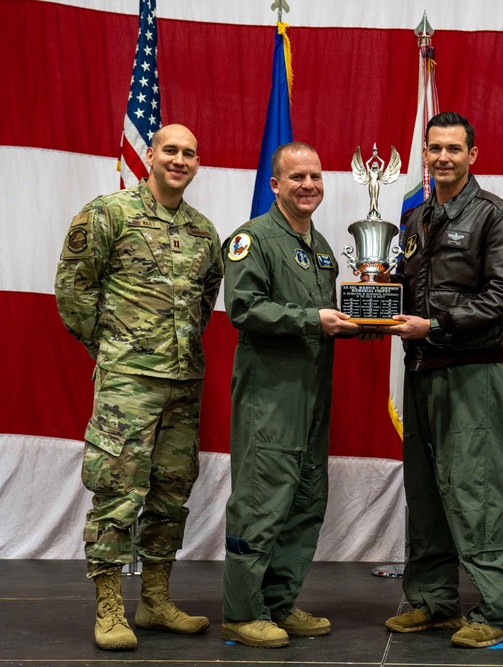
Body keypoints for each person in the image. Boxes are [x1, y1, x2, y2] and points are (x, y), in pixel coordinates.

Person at [54, 124, 222, 651]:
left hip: (183, 381)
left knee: (172, 490)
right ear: (149, 155)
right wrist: (114, 350)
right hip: (128, 381)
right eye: (170, 150)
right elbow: (73, 291)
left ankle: (154, 599)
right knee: (118, 490)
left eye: (189, 153)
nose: (179, 159)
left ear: (197, 163)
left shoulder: (202, 231)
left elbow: (204, 301)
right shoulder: (109, 213)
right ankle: (108, 606)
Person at [383, 111, 503, 649]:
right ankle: (433, 600)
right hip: (420, 371)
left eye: (454, 148)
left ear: (473, 155)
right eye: (435, 147)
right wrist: (370, 301)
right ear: (425, 153)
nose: (443, 156)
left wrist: (438, 324)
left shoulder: (496, 216)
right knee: (424, 494)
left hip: (469, 373)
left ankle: (495, 610)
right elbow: (403, 288)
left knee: (473, 492)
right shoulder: (416, 220)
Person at [220, 142, 360, 649]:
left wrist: (366, 322)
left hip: (313, 395)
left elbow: (327, 318)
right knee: (261, 503)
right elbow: (244, 307)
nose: (308, 185)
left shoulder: (320, 247)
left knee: (304, 502)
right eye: (296, 177)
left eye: (316, 177)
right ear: (275, 184)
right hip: (270, 398)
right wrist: (311, 320)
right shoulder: (252, 239)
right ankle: (241, 611)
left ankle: (278, 602)